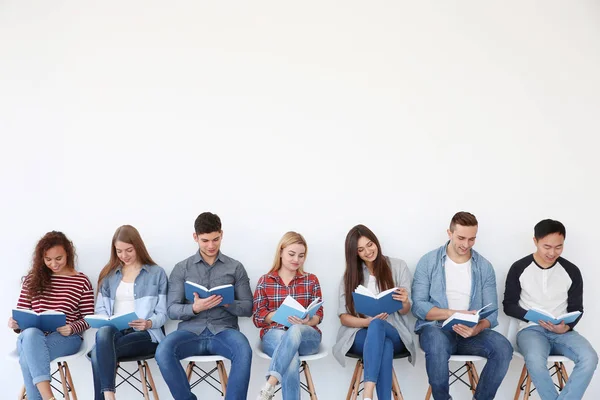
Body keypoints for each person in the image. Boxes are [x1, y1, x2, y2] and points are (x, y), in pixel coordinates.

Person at [412, 212, 512, 400]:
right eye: (461, 238)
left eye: (472, 239)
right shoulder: (428, 262)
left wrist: (477, 328)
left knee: (504, 348)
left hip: (471, 334)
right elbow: (418, 306)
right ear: (449, 233)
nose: (466, 245)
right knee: (437, 343)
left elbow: (492, 313)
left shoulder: (484, 267)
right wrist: (452, 313)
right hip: (437, 330)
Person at [155, 212, 253, 400]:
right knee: (163, 350)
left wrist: (227, 303)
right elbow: (172, 310)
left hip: (224, 331)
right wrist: (194, 308)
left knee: (243, 349)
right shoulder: (182, 268)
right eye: (205, 240)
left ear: (222, 234)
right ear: (195, 237)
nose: (211, 246)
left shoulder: (235, 267)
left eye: (216, 239)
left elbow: (248, 307)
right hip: (190, 332)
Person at [503, 219, 598, 400]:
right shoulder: (519, 268)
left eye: (558, 247)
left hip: (562, 331)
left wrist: (566, 327)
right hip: (531, 330)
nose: (552, 252)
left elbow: (577, 308)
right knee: (535, 361)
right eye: (547, 247)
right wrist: (533, 317)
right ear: (535, 241)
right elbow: (509, 305)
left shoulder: (571, 271)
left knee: (590, 358)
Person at [8, 231, 94, 400]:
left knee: (28, 357)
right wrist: (16, 324)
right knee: (31, 335)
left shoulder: (81, 281)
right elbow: (22, 312)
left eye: (58, 258)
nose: (54, 264)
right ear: (42, 258)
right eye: (48, 260)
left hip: (65, 338)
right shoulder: (32, 279)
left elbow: (89, 318)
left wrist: (72, 328)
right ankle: (49, 397)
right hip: (32, 337)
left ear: (68, 254)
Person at [332, 224, 415, 400]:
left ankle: (367, 394)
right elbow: (344, 317)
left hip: (395, 331)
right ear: (355, 253)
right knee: (383, 344)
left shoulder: (398, 266)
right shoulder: (350, 276)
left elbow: (406, 311)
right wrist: (366, 323)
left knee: (380, 327)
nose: (368, 251)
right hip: (360, 333)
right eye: (361, 249)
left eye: (370, 244)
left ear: (375, 241)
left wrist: (404, 301)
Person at [90, 225, 168, 400]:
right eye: (119, 251)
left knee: (98, 353)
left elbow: (163, 313)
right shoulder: (109, 275)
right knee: (104, 332)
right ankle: (110, 396)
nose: (124, 256)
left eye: (129, 250)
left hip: (145, 334)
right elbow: (100, 309)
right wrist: (106, 320)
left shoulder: (156, 273)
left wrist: (148, 323)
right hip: (115, 333)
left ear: (138, 247)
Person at [253, 232, 324, 400]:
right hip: (274, 335)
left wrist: (308, 320)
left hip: (307, 336)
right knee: (291, 357)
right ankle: (270, 387)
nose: (296, 260)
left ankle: (270, 383)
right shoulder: (265, 280)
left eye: (301, 256)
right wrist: (275, 315)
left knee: (296, 329)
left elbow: (319, 314)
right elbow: (257, 318)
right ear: (281, 252)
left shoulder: (311, 280)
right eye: (291, 254)